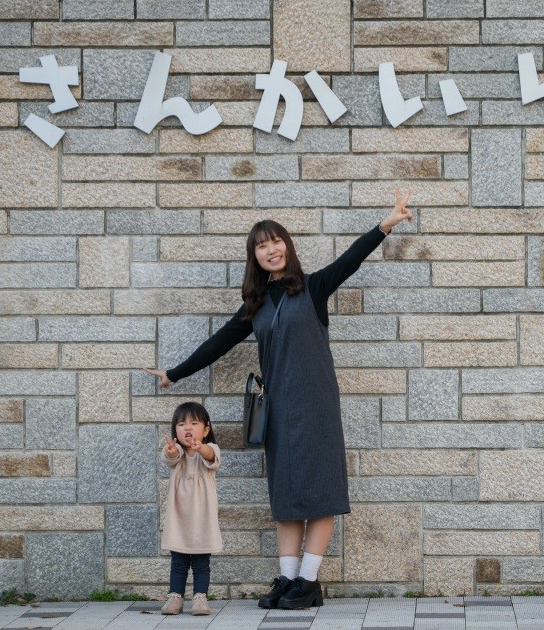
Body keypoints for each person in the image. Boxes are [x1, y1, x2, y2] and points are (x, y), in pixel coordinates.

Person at [143, 188, 414, 610]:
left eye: (276, 241)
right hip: (280, 410)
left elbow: (352, 258)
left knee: (320, 491)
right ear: (255, 257)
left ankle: (308, 582)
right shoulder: (256, 305)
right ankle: (288, 580)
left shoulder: (315, 286)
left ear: (287, 245)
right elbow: (220, 343)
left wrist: (387, 223)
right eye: (262, 245)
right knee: (286, 495)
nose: (271, 249)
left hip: (318, 405)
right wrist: (174, 374)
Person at [160, 401, 222, 616]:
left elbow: (210, 456)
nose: (187, 428)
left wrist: (200, 447)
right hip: (179, 519)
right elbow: (170, 458)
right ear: (175, 430)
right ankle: (175, 596)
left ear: (206, 429)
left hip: (202, 518)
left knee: (201, 562)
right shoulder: (176, 452)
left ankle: (200, 598)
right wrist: (169, 451)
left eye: (193, 423)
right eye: (181, 424)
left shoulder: (210, 449)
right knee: (178, 561)